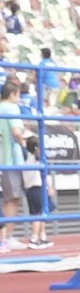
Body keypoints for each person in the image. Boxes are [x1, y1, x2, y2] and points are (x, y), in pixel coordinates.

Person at [0, 76, 25, 254]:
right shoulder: (12, 108)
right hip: (10, 159)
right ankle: (7, 237)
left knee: (4, 199)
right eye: (18, 95)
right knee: (13, 198)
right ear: (13, 94)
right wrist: (24, 141)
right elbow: (16, 131)